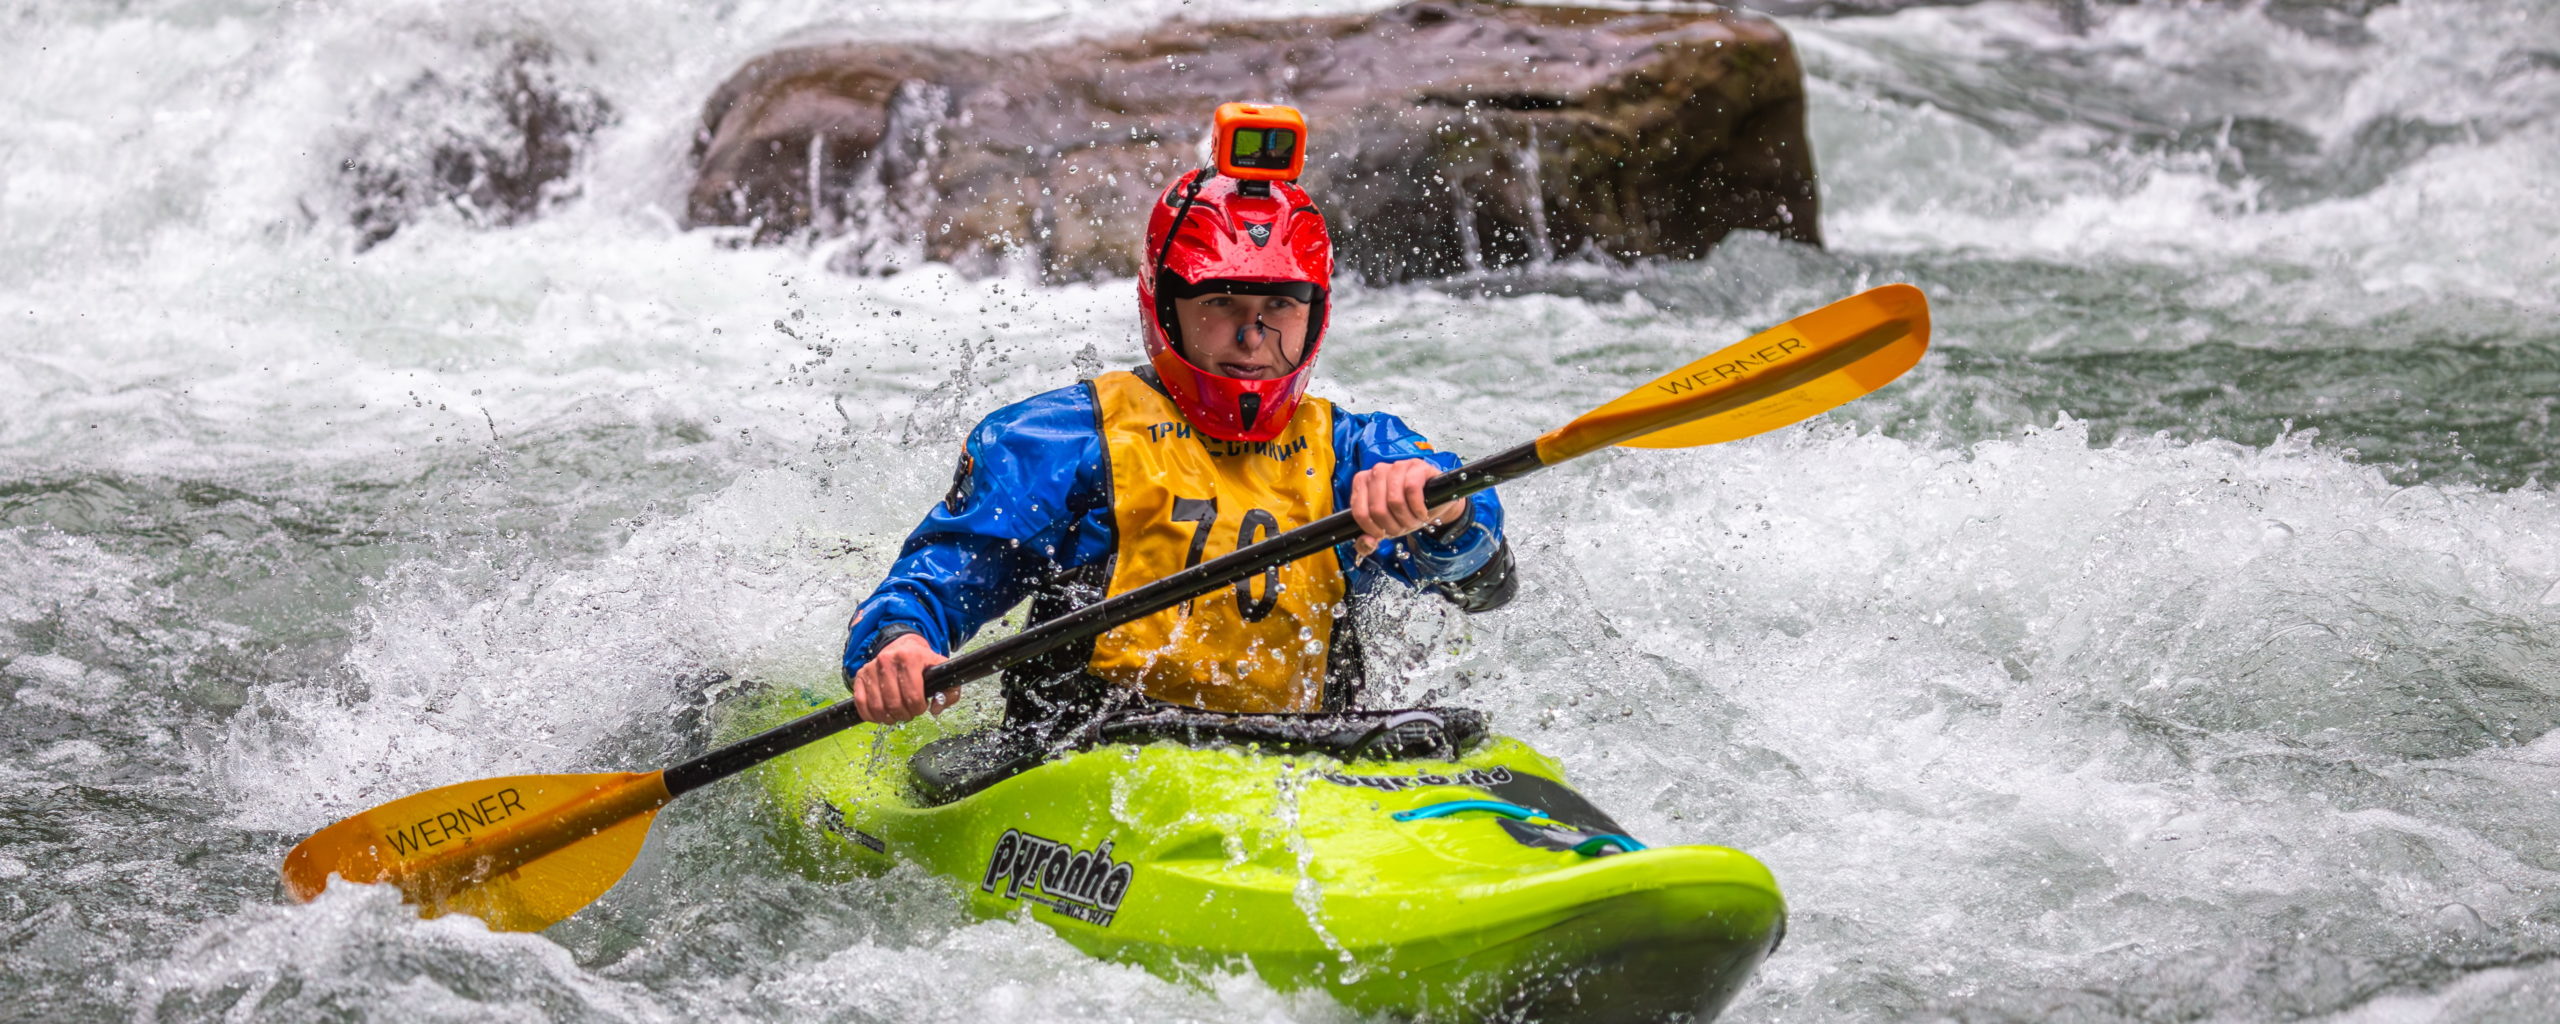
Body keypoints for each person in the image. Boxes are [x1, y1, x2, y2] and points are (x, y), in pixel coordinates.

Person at [841, 166, 1515, 735]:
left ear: (1316, 312)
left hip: (1313, 762)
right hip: (1091, 759)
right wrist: (900, 643)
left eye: (1280, 306)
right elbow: (938, 580)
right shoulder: (1062, 443)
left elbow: (1485, 587)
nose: (1254, 338)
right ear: (1163, 307)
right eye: (1222, 302)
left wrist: (1444, 514)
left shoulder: (1362, 452)